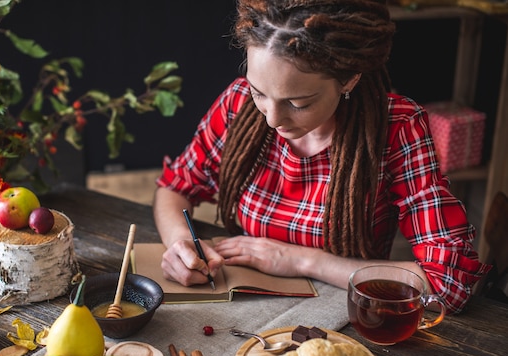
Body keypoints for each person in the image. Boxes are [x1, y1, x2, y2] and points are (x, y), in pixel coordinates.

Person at [152, 0, 491, 314]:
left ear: (349, 79)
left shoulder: (396, 128)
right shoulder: (238, 105)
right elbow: (175, 185)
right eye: (259, 92)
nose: (272, 118)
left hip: (350, 313)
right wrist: (181, 244)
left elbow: (450, 283)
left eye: (298, 103)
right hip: (241, 304)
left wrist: (301, 260)